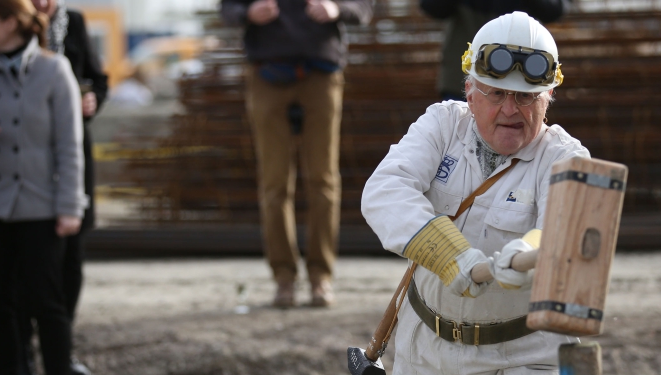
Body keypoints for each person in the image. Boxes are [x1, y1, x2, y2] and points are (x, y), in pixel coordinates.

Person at [361, 12, 588, 374]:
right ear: (470, 92)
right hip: (425, 352)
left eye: (526, 97)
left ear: (548, 98)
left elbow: (564, 233)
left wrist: (528, 250)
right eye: (497, 93)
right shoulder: (442, 125)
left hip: (525, 356)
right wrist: (451, 256)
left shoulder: (566, 159)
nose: (511, 109)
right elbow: (386, 190)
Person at [0, 0, 86, 374]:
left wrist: (71, 206)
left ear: (10, 23)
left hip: (40, 207)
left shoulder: (55, 71)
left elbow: (69, 147)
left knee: (47, 305)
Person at [219, 0, 373, 308]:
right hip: (267, 73)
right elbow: (227, 8)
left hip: (322, 73)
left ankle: (321, 277)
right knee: (274, 183)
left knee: (323, 180)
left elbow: (364, 8)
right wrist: (248, 13)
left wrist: (335, 9)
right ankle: (284, 279)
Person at [421, 0, 569, 101]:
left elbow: (553, 10)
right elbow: (433, 7)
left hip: (523, 80)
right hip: (464, 78)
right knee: (456, 137)